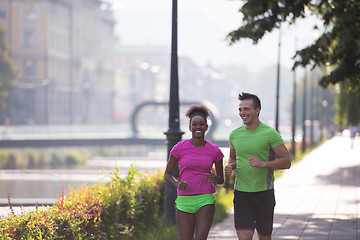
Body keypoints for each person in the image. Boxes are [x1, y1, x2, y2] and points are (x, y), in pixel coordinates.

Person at [225, 92, 291, 240]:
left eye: (246, 109)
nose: (243, 113)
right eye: (240, 110)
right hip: (241, 194)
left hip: (264, 193)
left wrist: (264, 164)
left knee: (264, 237)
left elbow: (286, 161)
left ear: (257, 110)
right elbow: (233, 159)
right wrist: (230, 166)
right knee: (244, 237)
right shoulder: (235, 135)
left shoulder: (270, 134)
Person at [164, 104, 224, 240]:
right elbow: (167, 174)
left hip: (205, 199)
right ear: (190, 127)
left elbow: (221, 180)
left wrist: (215, 178)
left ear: (207, 127)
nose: (198, 127)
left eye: (201, 124)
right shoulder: (179, 148)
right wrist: (177, 184)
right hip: (184, 199)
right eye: (195, 124)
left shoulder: (215, 150)